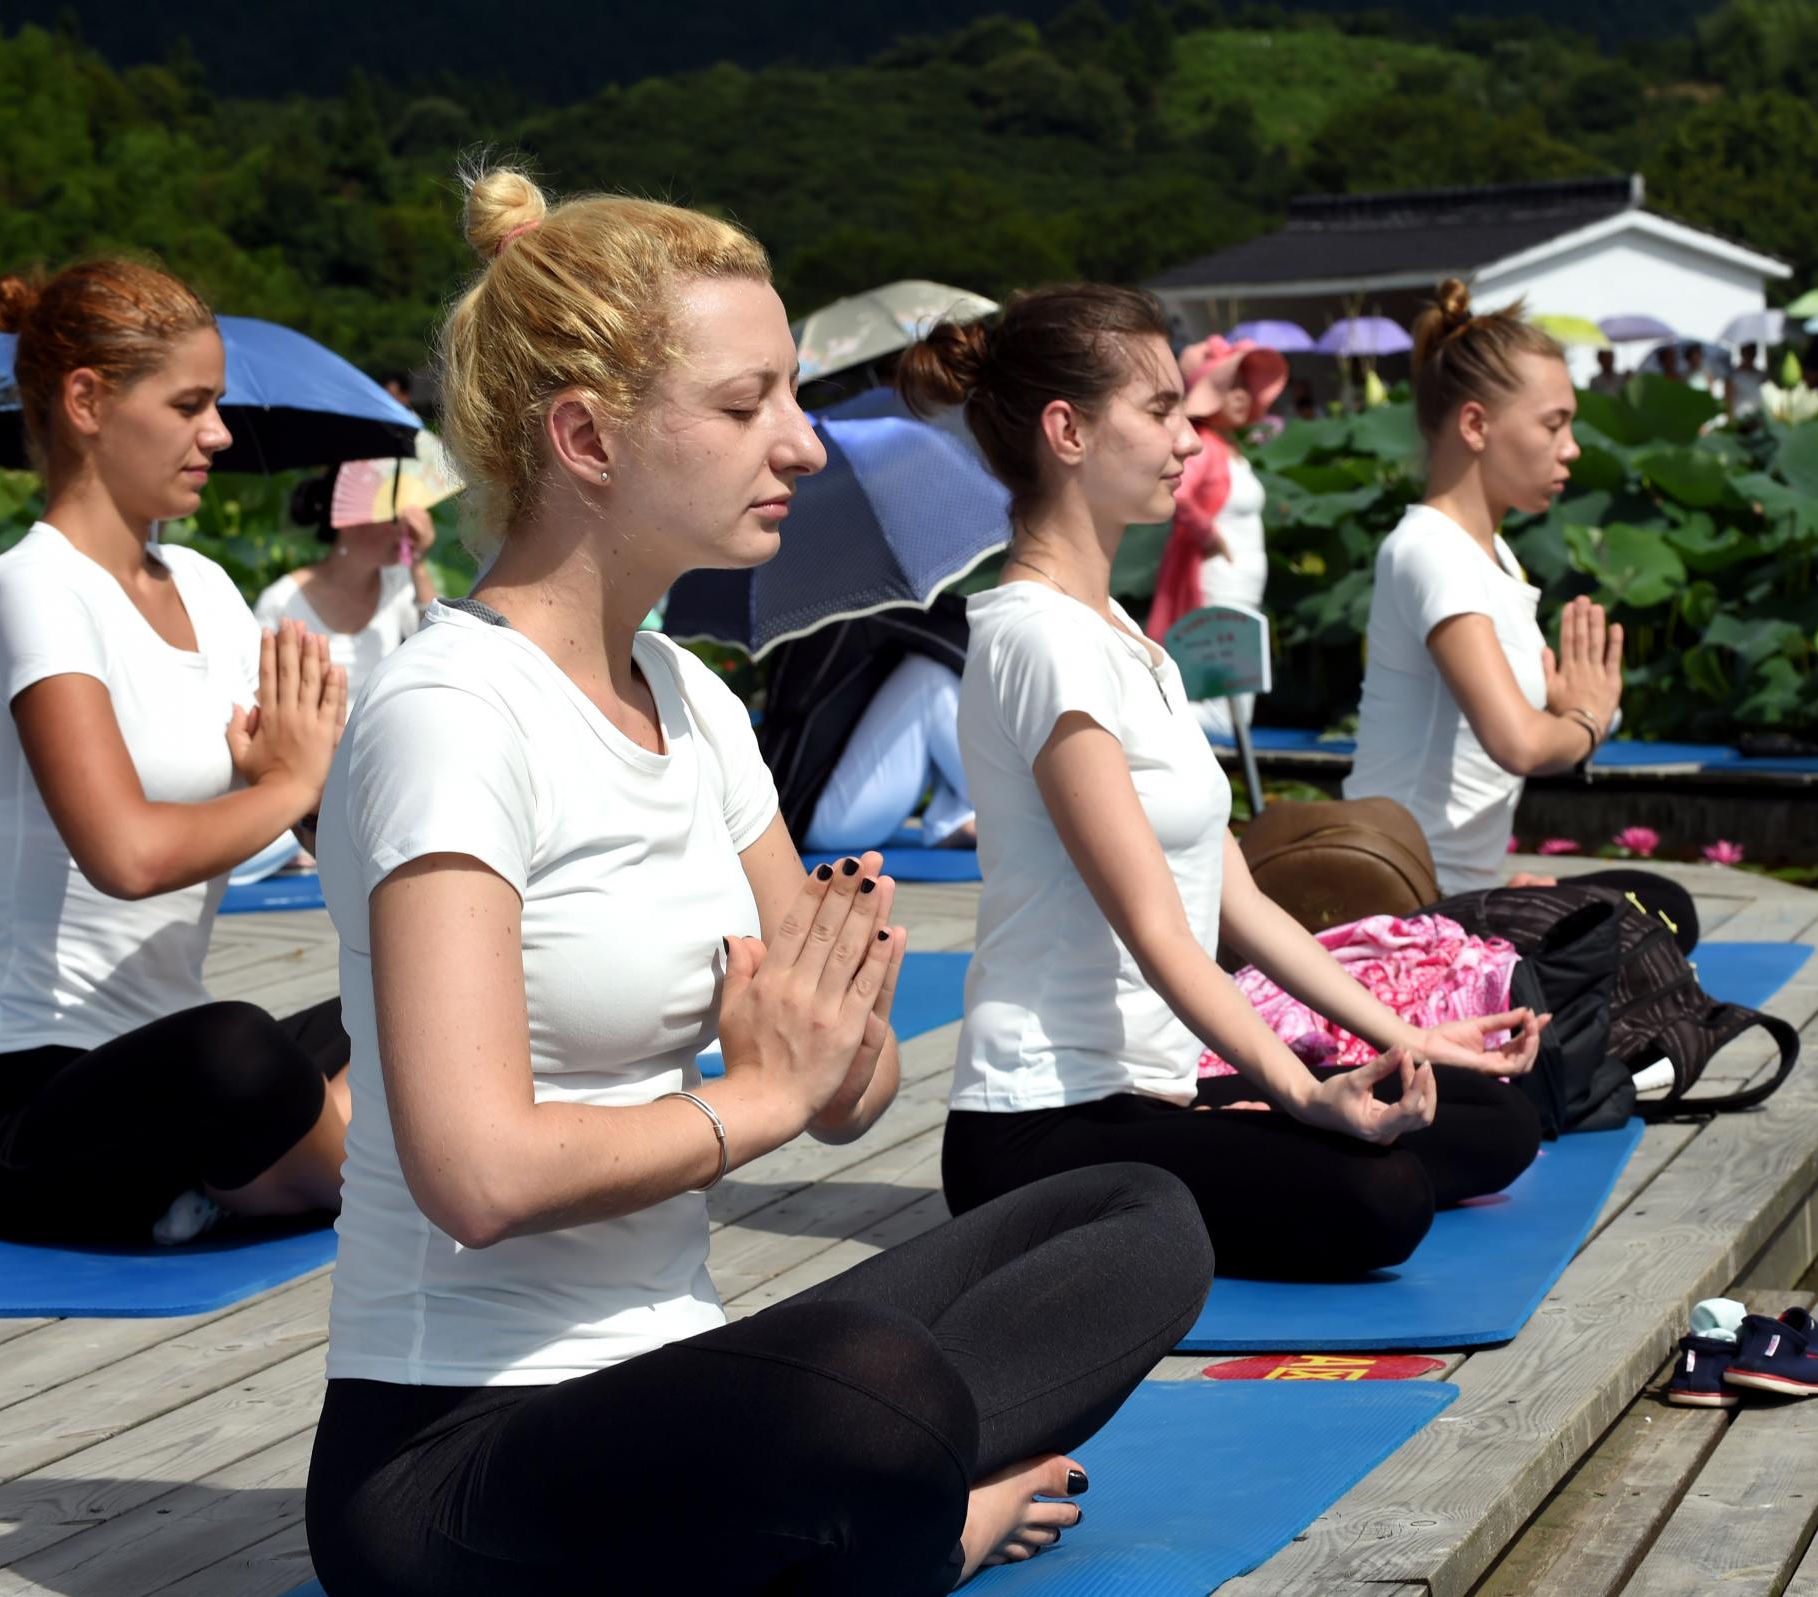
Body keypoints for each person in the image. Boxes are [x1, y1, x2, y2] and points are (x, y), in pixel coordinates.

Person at [303, 169, 1210, 1597]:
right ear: (586, 435)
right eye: (747, 406)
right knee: (868, 1385)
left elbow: (845, 1095)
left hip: (683, 1384)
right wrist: (762, 1096)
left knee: (1136, 1216)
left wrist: (838, 1039)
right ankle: (927, 1519)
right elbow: (475, 1175)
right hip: (454, 1457)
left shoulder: (695, 700)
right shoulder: (450, 716)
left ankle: (880, 1503)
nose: (800, 444)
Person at [897, 283, 1547, 1283]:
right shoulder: (1039, 643)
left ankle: (1242, 1124)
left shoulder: (1121, 636)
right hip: (1040, 1127)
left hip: (1154, 1088)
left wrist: (1410, 1033)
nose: (1187, 439)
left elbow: (1243, 906)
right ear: (1066, 430)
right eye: (1159, 411)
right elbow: (1160, 934)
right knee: (1381, 1194)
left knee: (1486, 1112)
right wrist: (1298, 1094)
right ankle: (1241, 1135)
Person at [0, 262, 352, 1250]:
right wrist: (286, 781)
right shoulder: (32, 588)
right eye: (191, 405)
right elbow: (126, 855)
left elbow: (306, 814)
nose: (218, 433)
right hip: (24, 1104)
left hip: (162, 1066)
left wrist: (313, 788)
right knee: (240, 1052)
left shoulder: (205, 585)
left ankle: (260, 1174)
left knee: (424, 993)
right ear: (86, 400)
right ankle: (360, 1171)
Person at [1345, 278, 1625, 897]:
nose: (1571, 449)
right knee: (1645, 912)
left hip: (1457, 890)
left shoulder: (1494, 556)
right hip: (1400, 902)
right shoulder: (1430, 550)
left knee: (1655, 906)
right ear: (1475, 424)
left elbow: (1530, 722)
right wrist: (1585, 721)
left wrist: (1565, 705)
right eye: (1554, 425)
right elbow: (1518, 744)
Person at [1146, 333, 1287, 736]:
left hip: (1241, 587)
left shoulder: (1229, 448)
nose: (1243, 394)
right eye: (1231, 384)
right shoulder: (1204, 447)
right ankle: (1156, 731)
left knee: (1237, 695)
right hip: (1216, 585)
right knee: (1223, 704)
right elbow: (1180, 496)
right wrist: (1209, 536)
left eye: (1246, 384)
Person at [774, 596, 979, 853]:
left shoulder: (814, 607)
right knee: (929, 680)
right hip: (816, 815)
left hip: (808, 811)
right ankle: (1007, 809)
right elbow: (968, 647)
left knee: (927, 673)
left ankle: (953, 818)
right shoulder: (852, 607)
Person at [254, 470, 438, 697]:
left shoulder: (398, 581)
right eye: (392, 515)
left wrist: (418, 564)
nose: (405, 526)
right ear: (349, 520)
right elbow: (258, 691)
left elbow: (436, 642)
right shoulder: (280, 601)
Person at [1723, 342, 1767, 420]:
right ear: (1742, 353)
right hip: (1740, 418)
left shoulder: (1762, 375)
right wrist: (1730, 419)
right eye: (1747, 352)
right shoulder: (1733, 375)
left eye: (1752, 352)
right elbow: (1728, 401)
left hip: (1759, 419)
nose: (1749, 356)